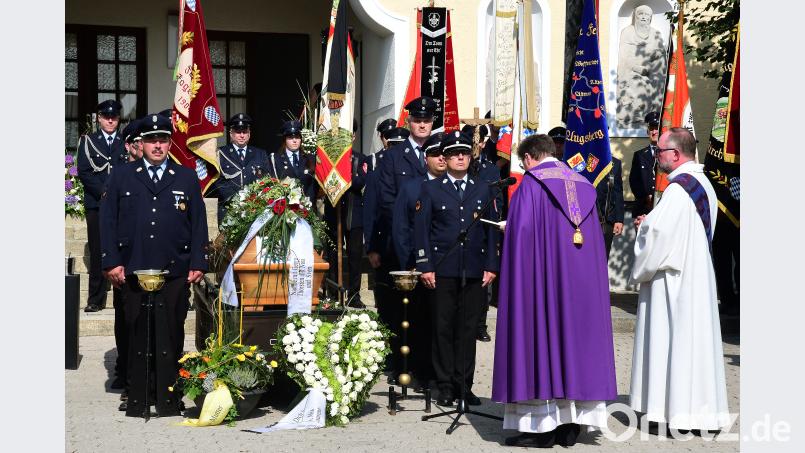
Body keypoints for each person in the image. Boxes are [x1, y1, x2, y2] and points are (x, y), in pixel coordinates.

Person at [492, 134, 616, 448]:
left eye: (523, 163)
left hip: (543, 286)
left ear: (530, 159)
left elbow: (522, 241)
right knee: (574, 346)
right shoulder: (585, 186)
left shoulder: (531, 187)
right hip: (581, 290)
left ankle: (543, 428)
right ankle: (570, 427)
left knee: (543, 342)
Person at [100, 113, 208, 417]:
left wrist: (198, 262)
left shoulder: (185, 176)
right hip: (133, 267)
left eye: (162, 140)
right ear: (141, 144)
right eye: (151, 140)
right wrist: (111, 262)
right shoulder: (122, 175)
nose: (157, 146)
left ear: (169, 143)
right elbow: (108, 222)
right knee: (135, 330)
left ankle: (169, 391)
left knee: (173, 330)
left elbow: (198, 222)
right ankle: (136, 390)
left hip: (174, 268)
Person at [629, 127, 730, 432]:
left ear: (674, 153)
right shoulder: (703, 184)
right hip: (697, 276)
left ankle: (671, 413)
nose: (657, 156)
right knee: (694, 345)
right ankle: (698, 411)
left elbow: (658, 237)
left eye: (659, 151)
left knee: (671, 342)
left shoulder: (677, 190)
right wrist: (653, 223)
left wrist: (644, 228)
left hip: (672, 281)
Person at [415, 131, 500, 407]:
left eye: (464, 152)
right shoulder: (431, 189)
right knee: (442, 328)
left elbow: (491, 230)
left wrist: (491, 265)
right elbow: (422, 231)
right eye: (454, 153)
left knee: (467, 330)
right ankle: (444, 385)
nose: (460, 157)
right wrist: (425, 265)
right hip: (443, 268)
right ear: (446, 158)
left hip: (474, 269)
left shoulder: (482, 188)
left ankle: (464, 385)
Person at [371, 98, 436, 382]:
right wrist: (407, 237)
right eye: (418, 120)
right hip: (401, 245)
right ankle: (401, 365)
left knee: (429, 310)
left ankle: (427, 368)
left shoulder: (439, 150)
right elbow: (387, 202)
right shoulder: (393, 157)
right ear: (408, 122)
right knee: (401, 309)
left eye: (428, 120)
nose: (422, 124)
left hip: (434, 247)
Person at [391, 132, 445, 390]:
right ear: (426, 159)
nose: (442, 159)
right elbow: (401, 229)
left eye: (444, 154)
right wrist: (409, 264)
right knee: (420, 322)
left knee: (443, 324)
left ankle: (443, 373)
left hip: (446, 266)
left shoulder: (454, 185)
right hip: (418, 266)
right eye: (435, 154)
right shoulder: (412, 187)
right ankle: (422, 372)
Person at [78, 100, 129, 314]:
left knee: (122, 248)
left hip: (120, 205)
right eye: (106, 117)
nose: (110, 120)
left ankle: (124, 295)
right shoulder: (89, 141)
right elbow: (84, 171)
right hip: (97, 205)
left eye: (114, 117)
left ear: (119, 119)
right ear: (99, 118)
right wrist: (103, 192)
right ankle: (95, 298)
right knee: (98, 250)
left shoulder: (126, 141)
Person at [463, 124, 500, 343]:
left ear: (484, 143)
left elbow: (497, 203)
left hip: (484, 229)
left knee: (484, 287)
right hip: (462, 229)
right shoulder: (460, 165)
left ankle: (480, 324)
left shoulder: (491, 170)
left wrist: (495, 233)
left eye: (477, 141)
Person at [211, 113, 270, 224]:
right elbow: (218, 182)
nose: (242, 135)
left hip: (255, 210)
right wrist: (238, 201)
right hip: (229, 211)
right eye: (238, 132)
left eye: (245, 132)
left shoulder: (260, 154)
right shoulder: (221, 154)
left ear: (249, 134)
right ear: (231, 133)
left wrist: (253, 201)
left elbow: (266, 180)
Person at [616, 5, 667, 130]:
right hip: (632, 70)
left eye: (647, 15)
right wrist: (637, 68)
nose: (644, 17)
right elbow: (624, 58)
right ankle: (635, 115)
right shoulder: (627, 32)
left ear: (650, 18)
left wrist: (656, 57)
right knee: (638, 85)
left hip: (652, 69)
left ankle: (656, 113)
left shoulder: (655, 34)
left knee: (658, 77)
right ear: (635, 17)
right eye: (641, 14)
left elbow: (662, 54)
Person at [268, 120, 317, 203]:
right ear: (285, 140)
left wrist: (308, 204)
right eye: (290, 138)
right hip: (285, 210)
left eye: (297, 137)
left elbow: (313, 186)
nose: (294, 141)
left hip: (307, 209)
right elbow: (272, 185)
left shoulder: (311, 159)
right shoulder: (275, 159)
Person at [629, 111, 660, 218]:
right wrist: (646, 197)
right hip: (643, 209)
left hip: (663, 207)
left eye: (657, 128)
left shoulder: (669, 154)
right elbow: (634, 181)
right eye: (651, 128)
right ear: (648, 131)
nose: (654, 131)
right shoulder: (639, 155)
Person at [596, 156, 625, 257]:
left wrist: (619, 219)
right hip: (584, 221)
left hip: (606, 220)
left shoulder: (614, 163)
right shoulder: (582, 159)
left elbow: (617, 192)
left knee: (602, 258)